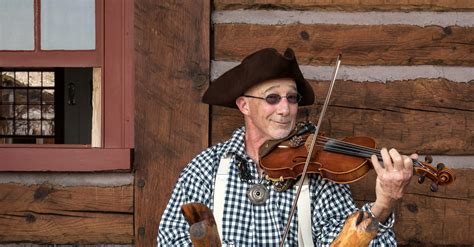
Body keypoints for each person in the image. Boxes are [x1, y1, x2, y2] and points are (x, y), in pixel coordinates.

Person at [157, 48, 416, 246]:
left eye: (291, 98)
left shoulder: (317, 170)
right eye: (272, 98)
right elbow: (170, 237)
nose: (285, 109)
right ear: (244, 105)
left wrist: (383, 204)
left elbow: (341, 241)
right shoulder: (206, 167)